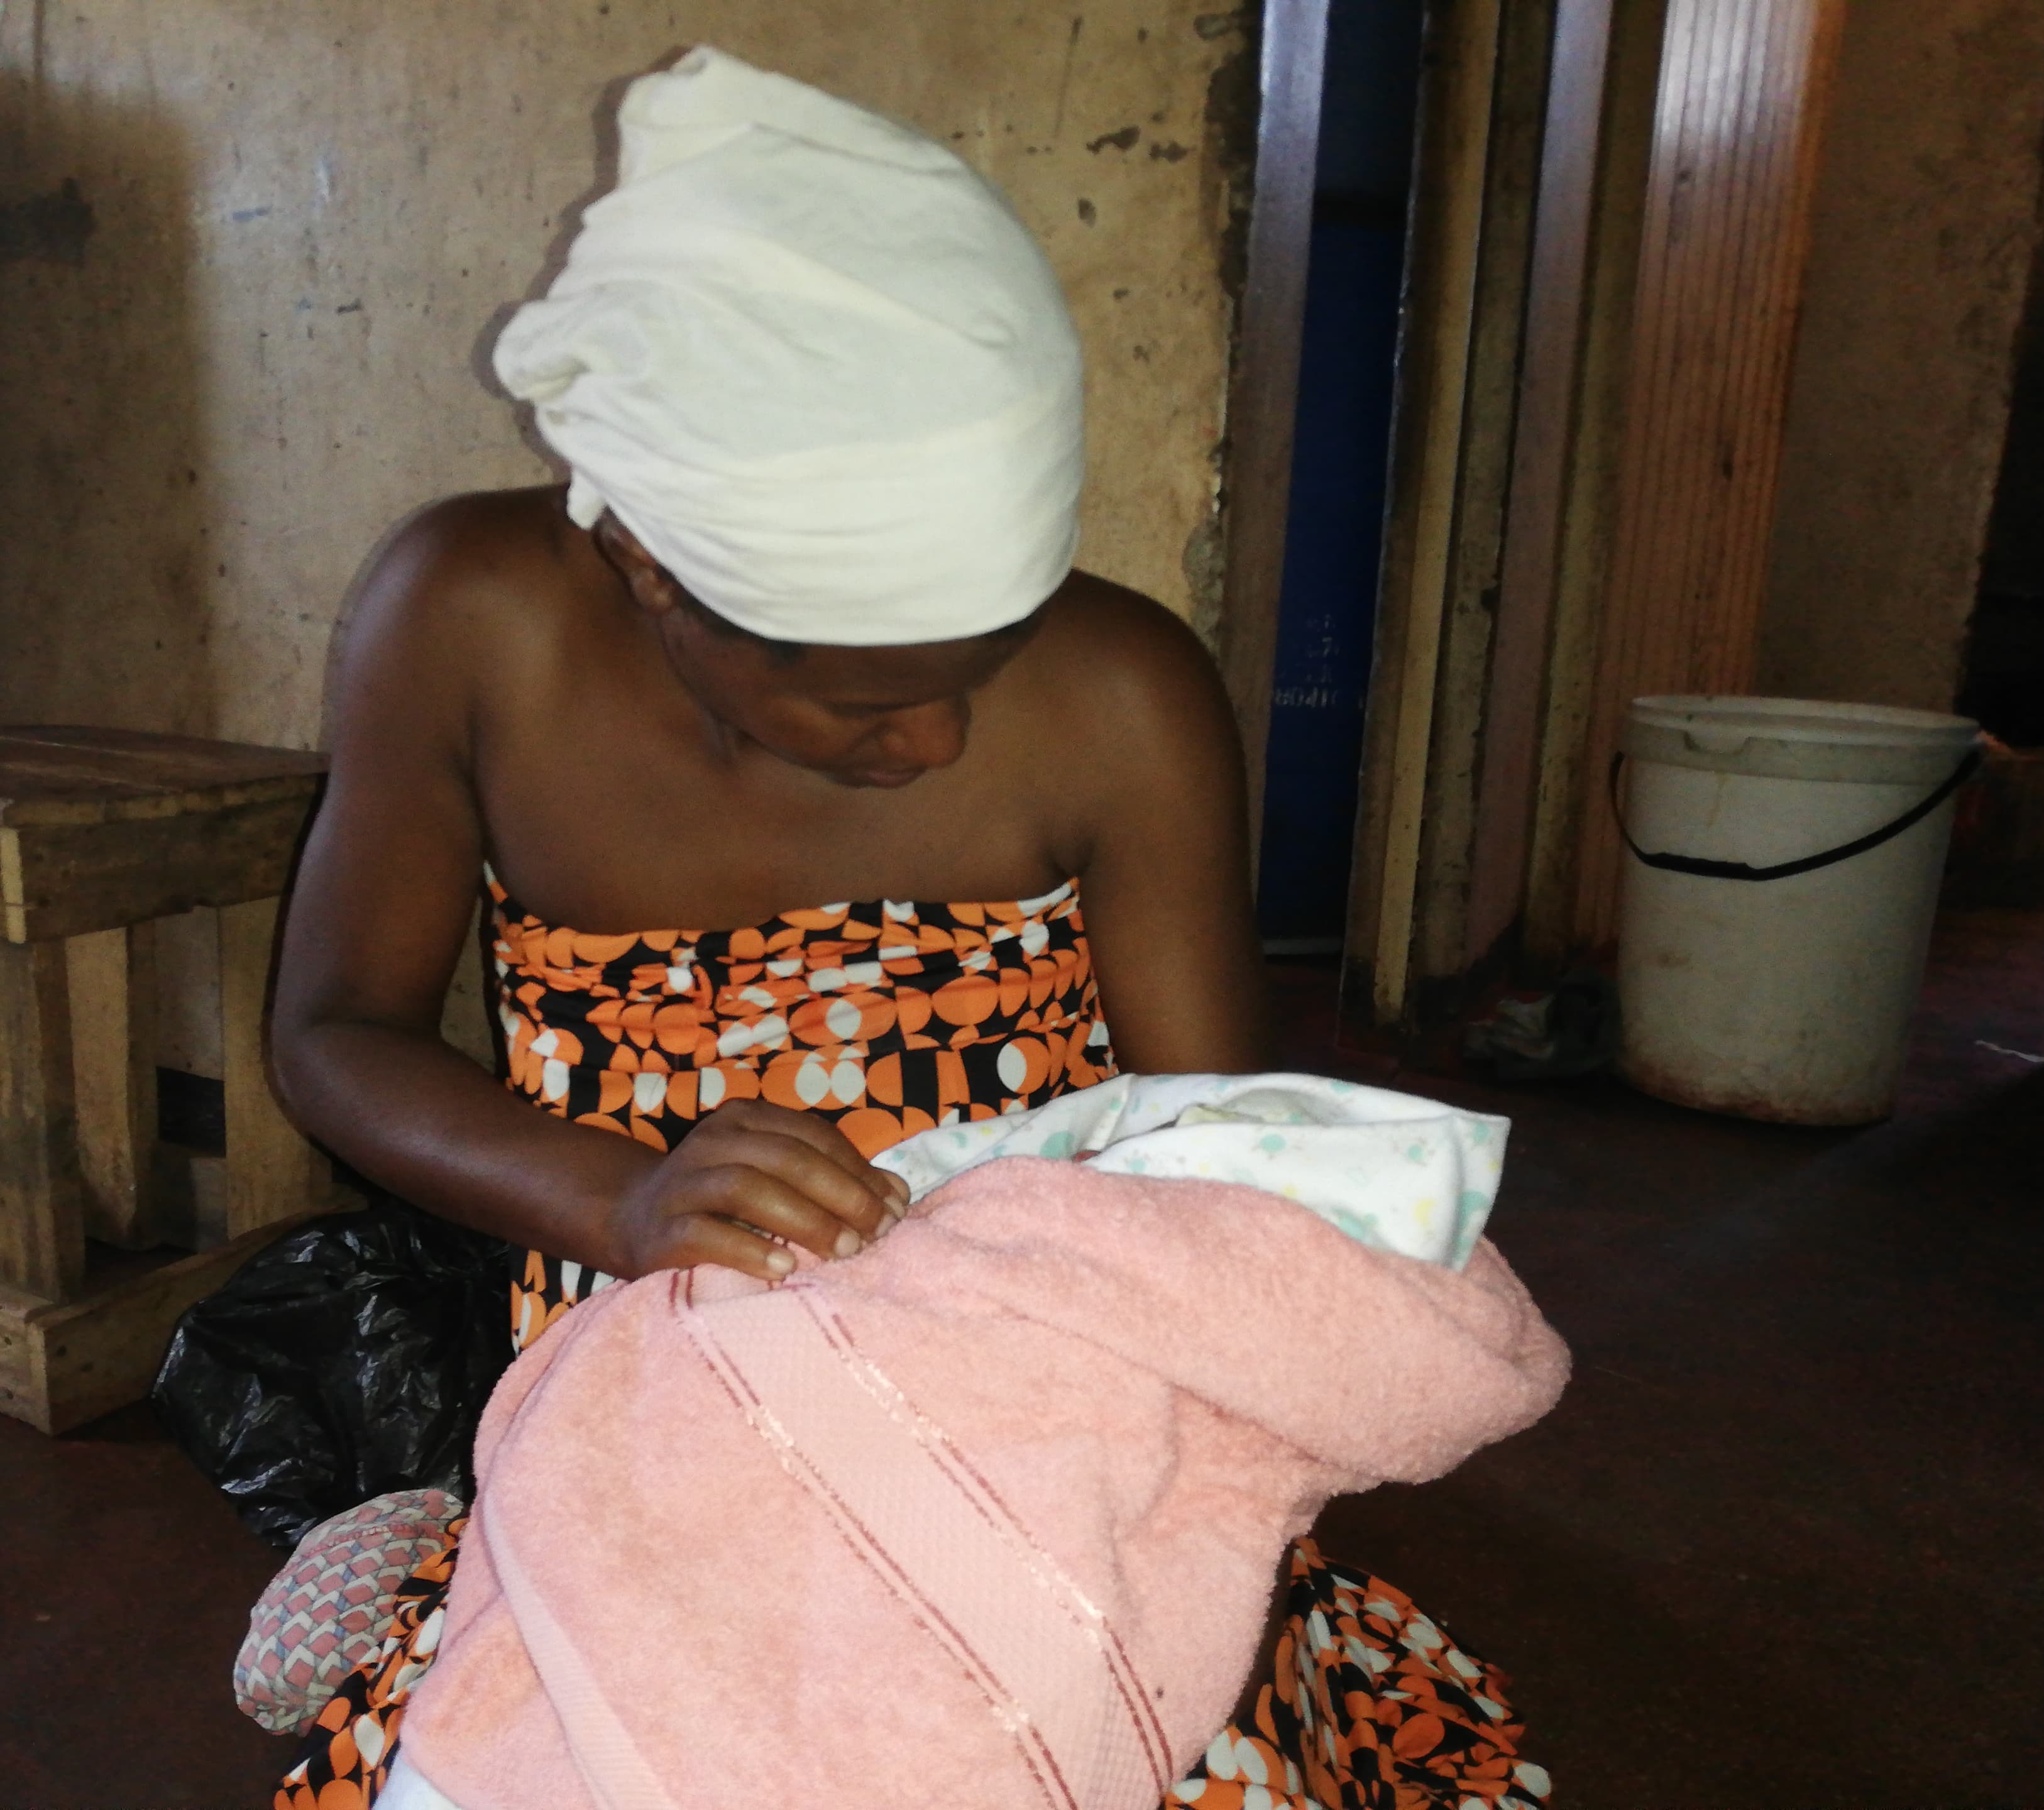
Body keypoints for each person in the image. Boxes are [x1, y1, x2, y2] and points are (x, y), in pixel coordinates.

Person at [268, 47, 1539, 1810]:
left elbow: (1227, 1174)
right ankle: (457, 1548)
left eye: (982, 657)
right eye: (860, 701)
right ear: (647, 562)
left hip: (1047, 1394)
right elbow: (333, 1031)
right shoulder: (468, 629)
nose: (934, 743)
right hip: (656, 1391)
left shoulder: (1124, 697)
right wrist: (618, 1202)